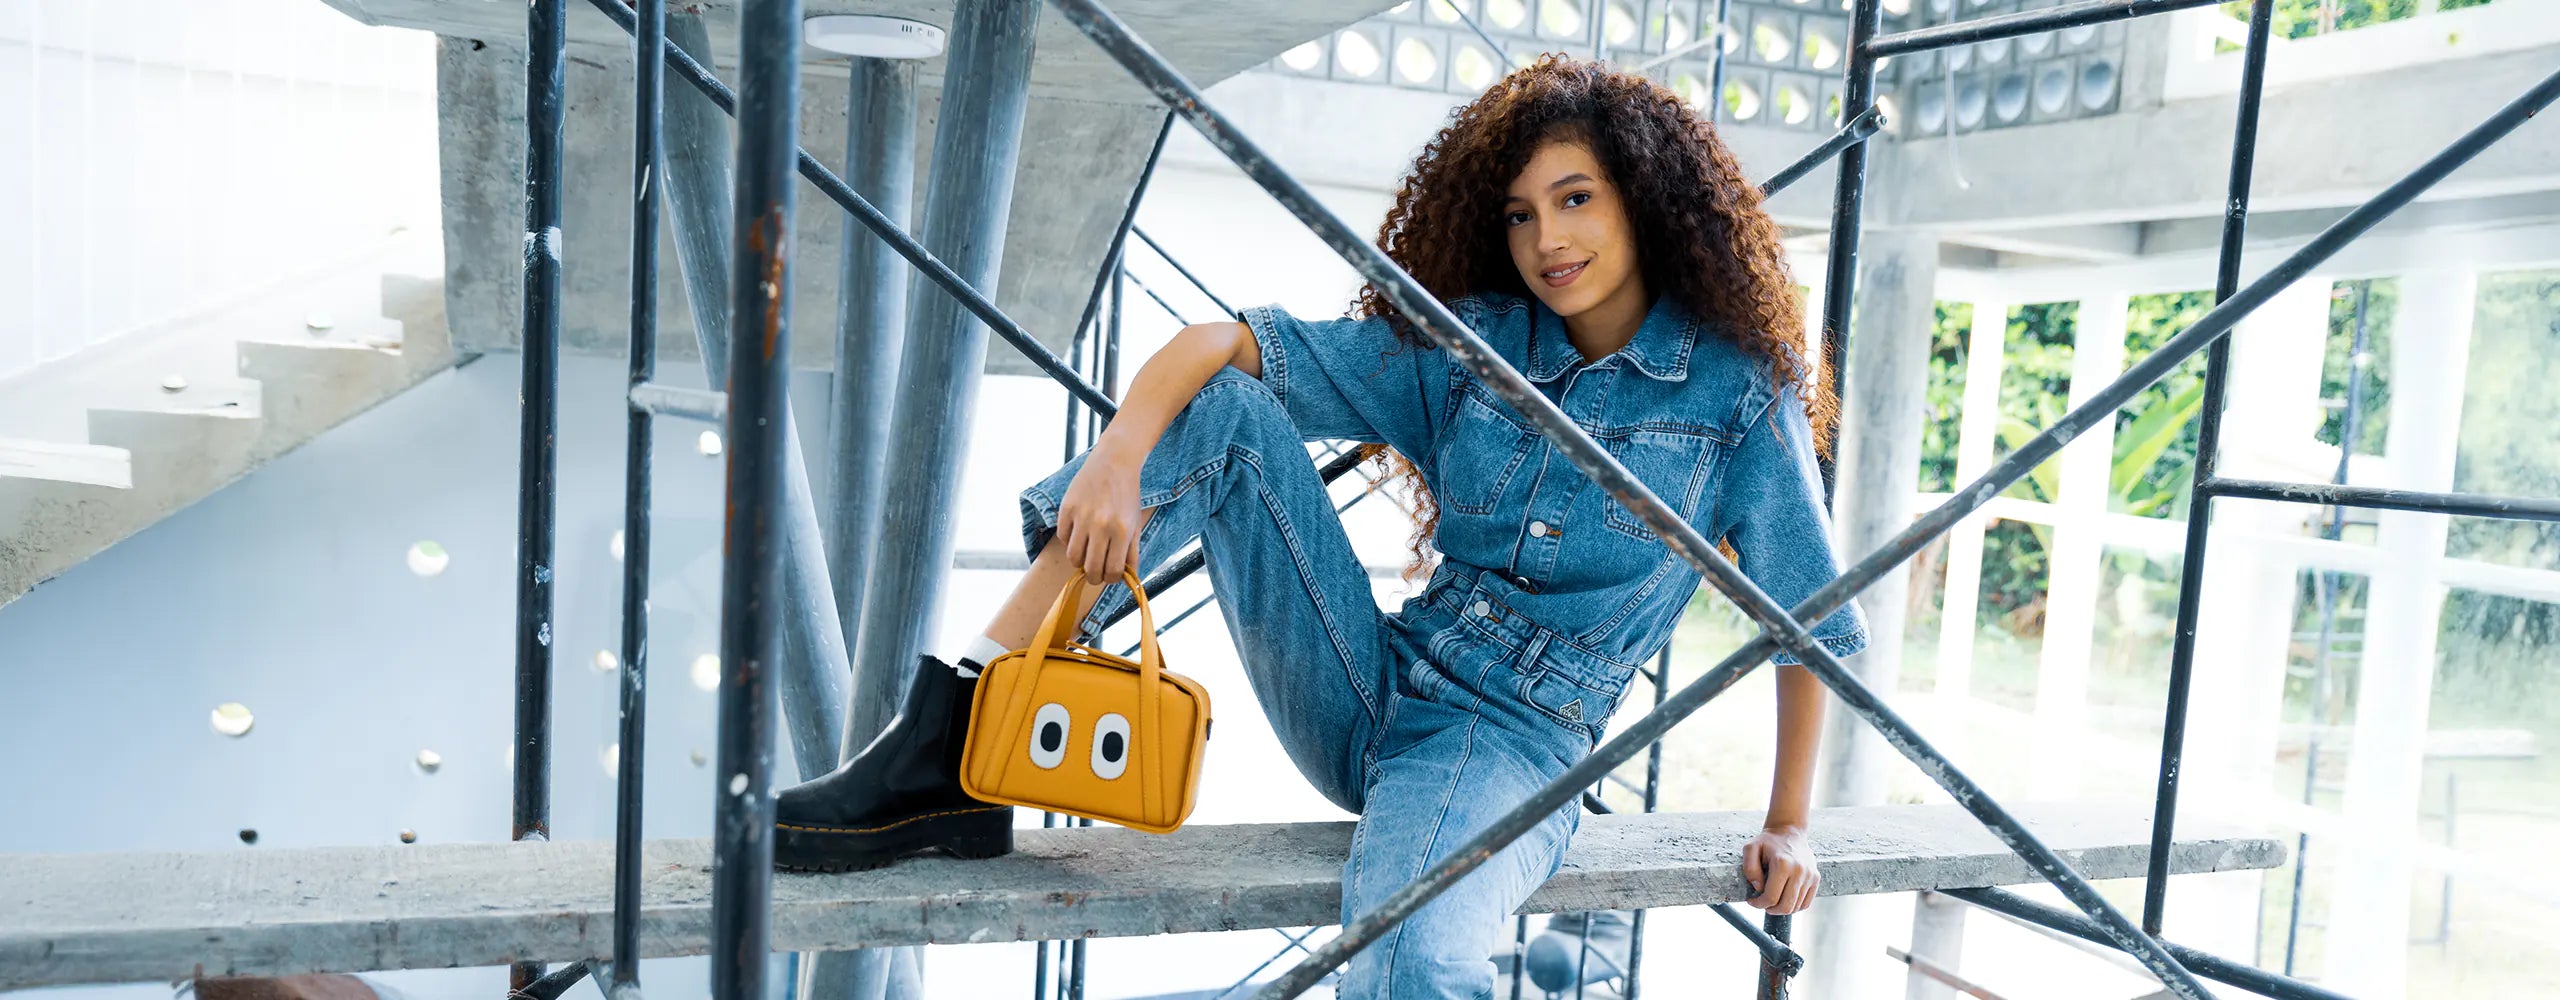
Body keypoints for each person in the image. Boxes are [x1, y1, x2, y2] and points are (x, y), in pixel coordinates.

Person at [770, 54, 1867, 998]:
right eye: (1522, 213)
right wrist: (1115, 456)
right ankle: (955, 730)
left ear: (1645, 200)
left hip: (1509, 741)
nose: (1546, 239)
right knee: (1227, 417)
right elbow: (1229, 346)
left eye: (1575, 199)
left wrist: (1789, 820)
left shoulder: (1734, 393)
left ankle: (950, 742)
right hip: (1363, 677)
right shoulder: (1477, 344)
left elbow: (1805, 616)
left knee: (1411, 962)